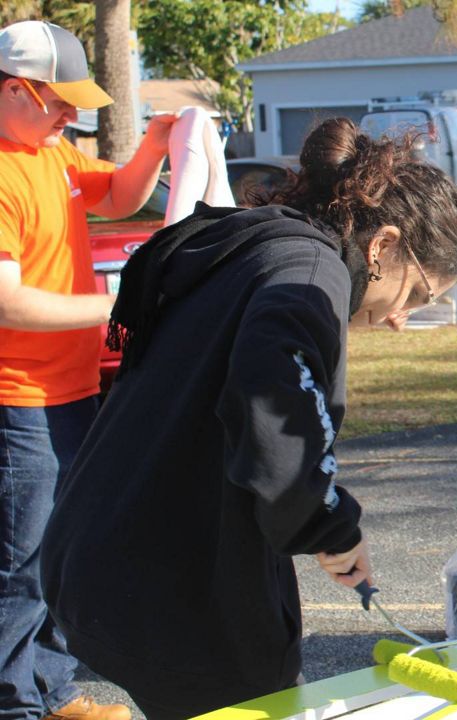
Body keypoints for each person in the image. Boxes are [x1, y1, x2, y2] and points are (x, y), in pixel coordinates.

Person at [39, 117, 457, 720]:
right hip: (168, 591)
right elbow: (274, 400)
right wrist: (329, 523)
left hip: (97, 554)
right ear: (384, 245)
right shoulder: (309, 275)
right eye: (419, 295)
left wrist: (320, 520)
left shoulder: (256, 247)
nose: (404, 318)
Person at [0, 20, 176, 720]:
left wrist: (159, 147)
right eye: (59, 101)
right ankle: (17, 704)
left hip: (69, 393)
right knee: (21, 562)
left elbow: (119, 196)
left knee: (60, 552)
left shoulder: (51, 152)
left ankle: (53, 691)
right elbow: (8, 301)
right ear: (15, 89)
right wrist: (108, 308)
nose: (72, 115)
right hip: (18, 399)